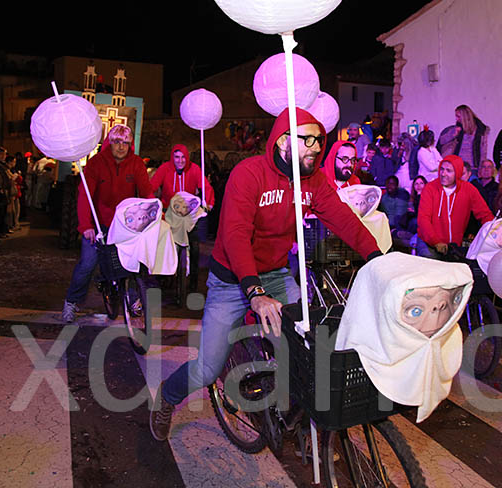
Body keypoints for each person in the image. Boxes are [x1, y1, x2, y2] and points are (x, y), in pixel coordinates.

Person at [150, 108, 383, 441]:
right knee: (207, 369)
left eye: (320, 139)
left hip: (275, 273)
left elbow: (343, 220)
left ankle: (292, 402)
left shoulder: (313, 180)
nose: (317, 147)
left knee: (308, 339)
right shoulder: (249, 174)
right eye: (308, 139)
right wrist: (254, 292)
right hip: (232, 279)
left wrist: (376, 258)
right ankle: (167, 397)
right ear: (284, 141)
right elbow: (235, 235)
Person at [62, 124, 154, 323]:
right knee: (87, 264)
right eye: (117, 142)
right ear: (109, 143)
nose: (121, 147)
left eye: (126, 143)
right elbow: (85, 196)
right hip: (98, 222)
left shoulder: (136, 163)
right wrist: (85, 225)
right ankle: (72, 301)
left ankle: (133, 295)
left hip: (124, 224)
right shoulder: (96, 163)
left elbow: (146, 191)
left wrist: (153, 211)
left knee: (133, 261)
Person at [150, 144, 216, 286]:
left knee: (195, 244)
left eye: (183, 157)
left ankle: (193, 280)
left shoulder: (194, 169)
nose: (180, 161)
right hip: (169, 212)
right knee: (162, 241)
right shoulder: (164, 169)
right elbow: (151, 186)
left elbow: (205, 187)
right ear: (172, 157)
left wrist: (209, 203)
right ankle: (162, 275)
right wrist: (152, 203)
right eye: (176, 157)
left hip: (188, 213)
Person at [416, 154, 493, 258]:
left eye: (448, 171)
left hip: (453, 245)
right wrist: (435, 242)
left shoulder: (469, 190)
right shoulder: (430, 189)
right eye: (442, 169)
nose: (443, 174)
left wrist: (494, 233)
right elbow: (423, 219)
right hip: (429, 242)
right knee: (430, 260)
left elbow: (485, 214)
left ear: (457, 173)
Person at [437, 105, 488, 178]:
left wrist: (481, 168)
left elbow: (483, 151)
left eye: (458, 116)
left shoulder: (480, 131)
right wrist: (452, 134)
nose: (457, 119)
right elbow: (441, 141)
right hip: (458, 165)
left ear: (465, 116)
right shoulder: (457, 128)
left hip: (473, 167)